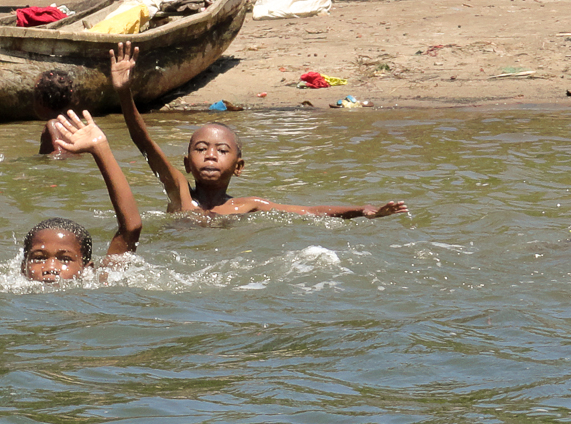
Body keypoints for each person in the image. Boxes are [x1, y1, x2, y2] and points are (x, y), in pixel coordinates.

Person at [109, 42, 408, 219]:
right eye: (200, 149)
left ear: (238, 167)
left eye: (221, 150)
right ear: (187, 164)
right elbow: (144, 143)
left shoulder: (247, 206)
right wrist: (125, 93)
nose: (210, 155)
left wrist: (362, 210)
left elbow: (309, 212)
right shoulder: (180, 193)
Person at [21, 110, 141, 283]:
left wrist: (101, 149)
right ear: (23, 268)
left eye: (65, 259)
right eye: (39, 257)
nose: (50, 268)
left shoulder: (97, 284)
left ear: (87, 270)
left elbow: (131, 228)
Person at [32, 69, 78, 156]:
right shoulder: (73, 124)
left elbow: (59, 153)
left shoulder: (53, 124)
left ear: (40, 100)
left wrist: (35, 162)